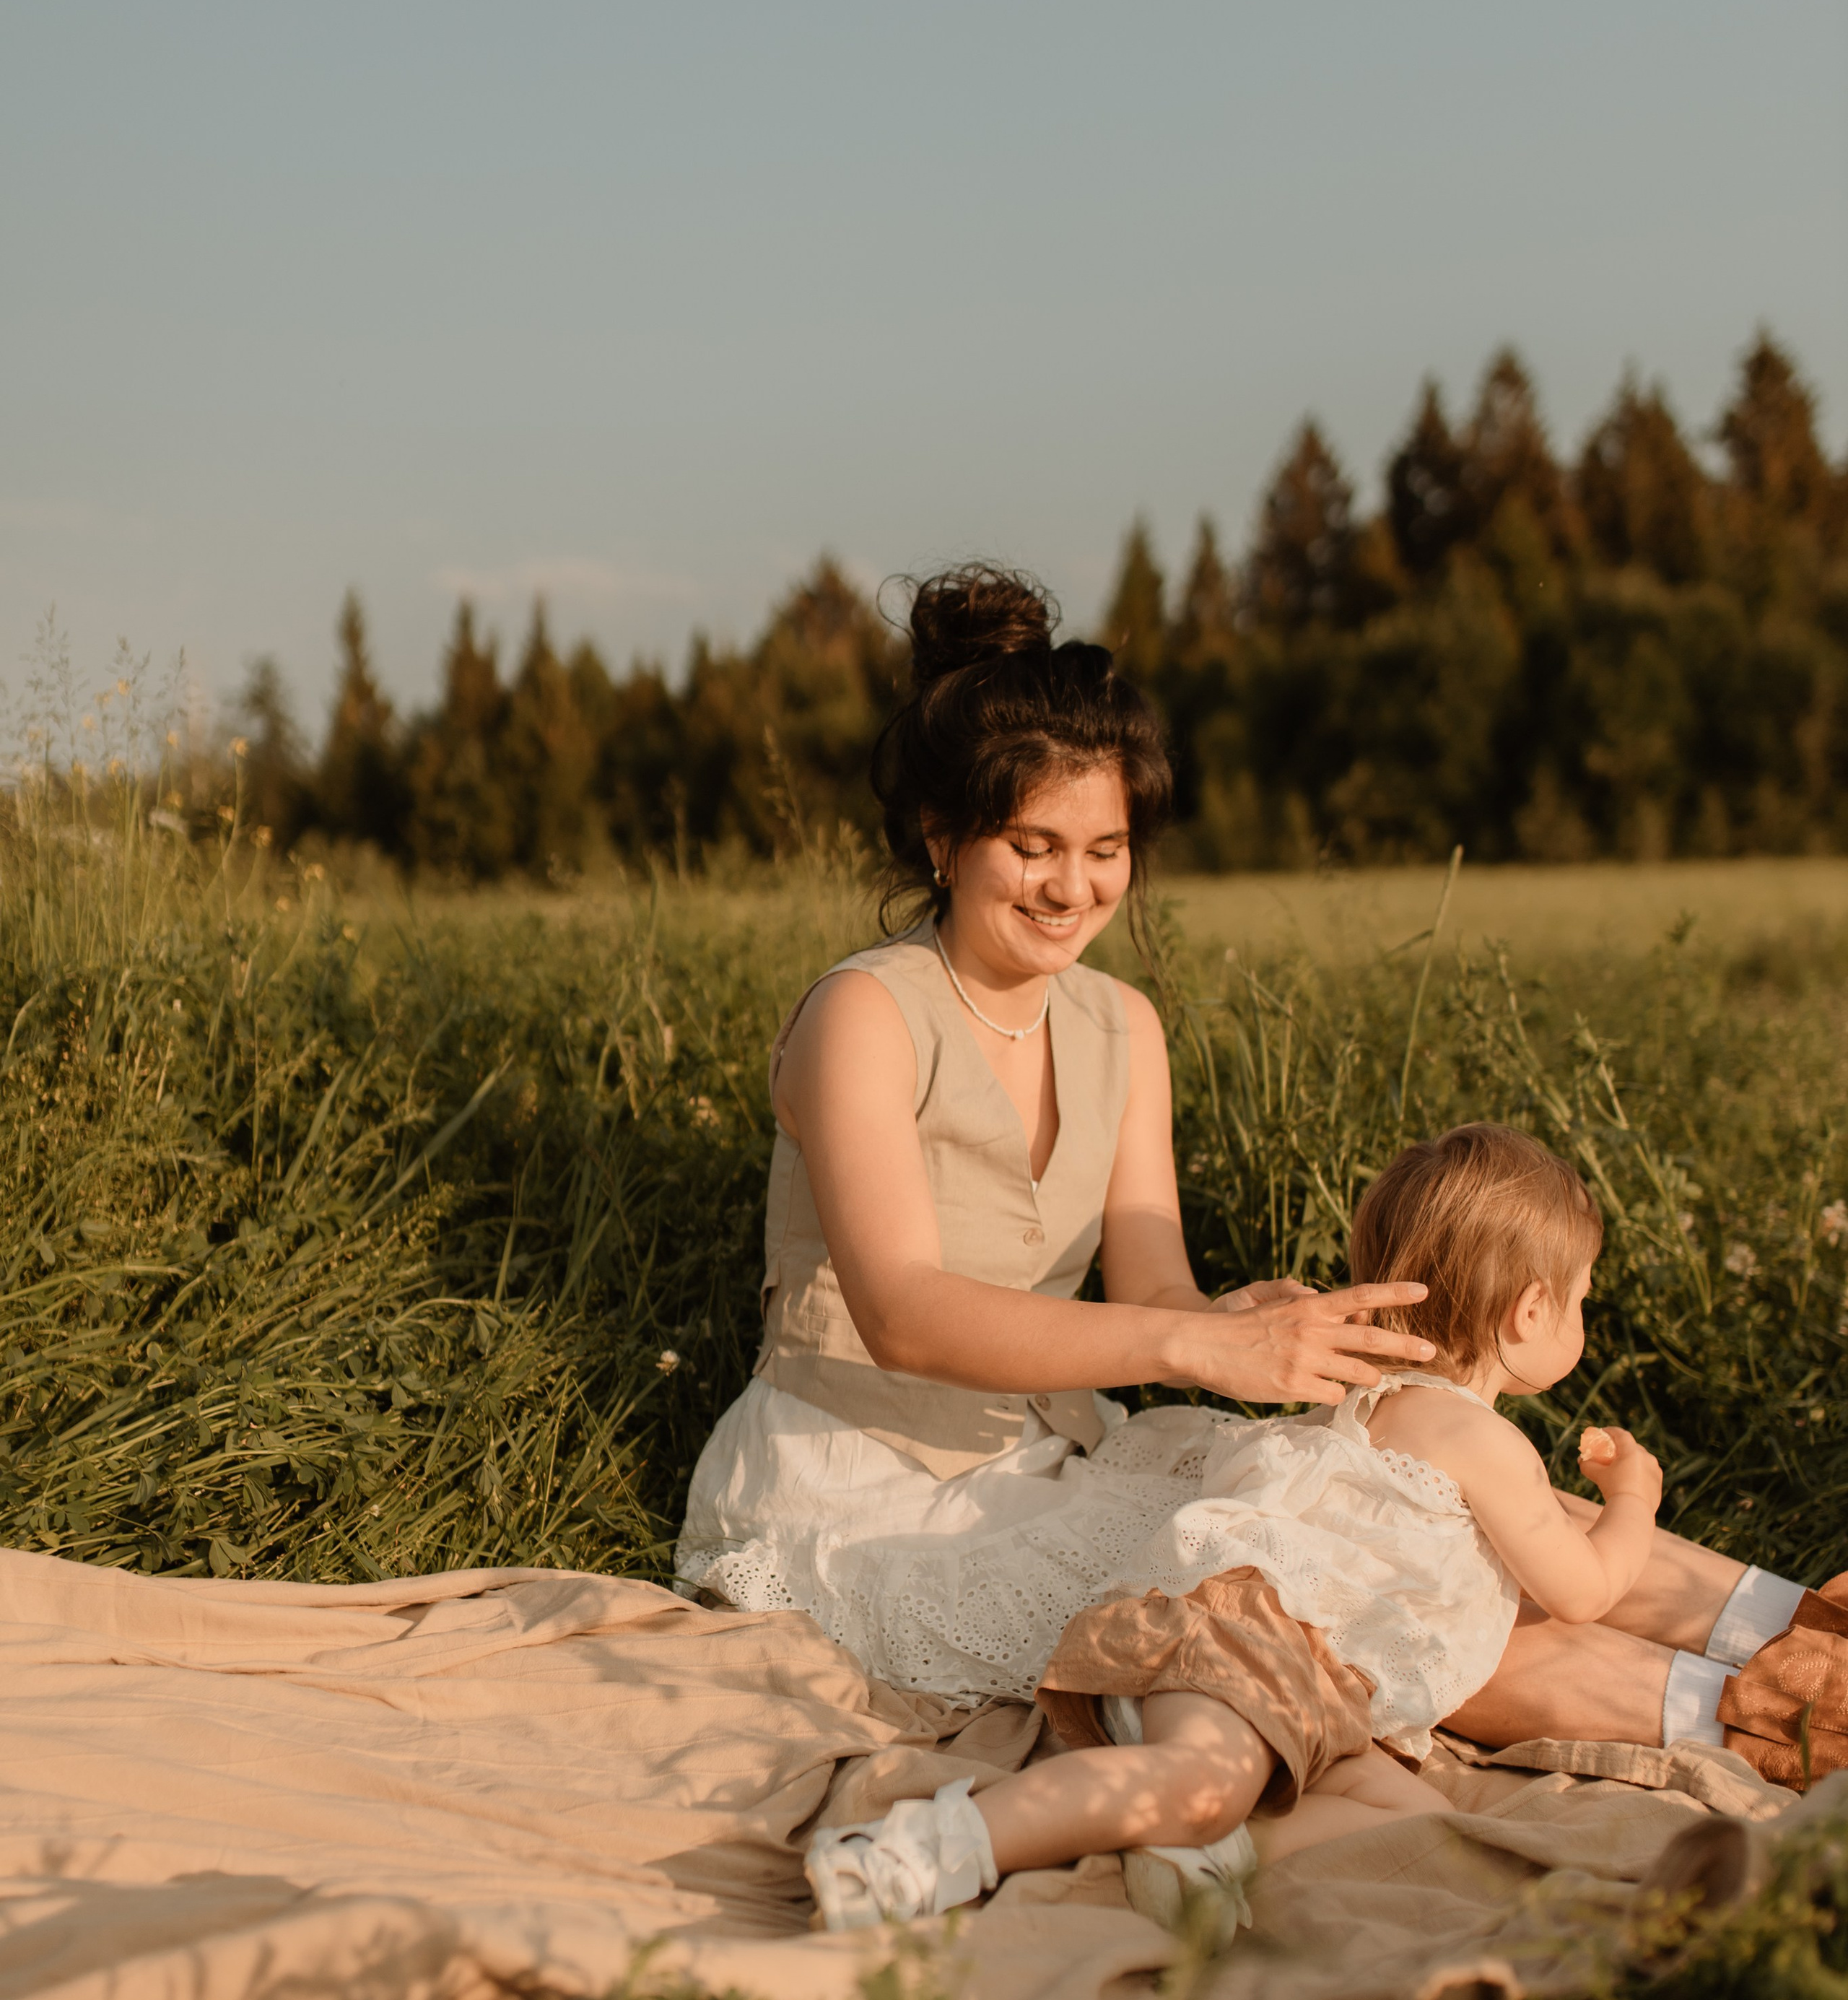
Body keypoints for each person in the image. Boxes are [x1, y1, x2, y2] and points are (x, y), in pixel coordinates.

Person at [675, 564, 1831, 1898]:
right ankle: (1783, 1720)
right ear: (941, 835)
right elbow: (905, 1311)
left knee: (1419, 1496)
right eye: (1031, 848)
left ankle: (1811, 1632)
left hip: (1060, 1453)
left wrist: (1276, 1329)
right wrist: (1196, 1345)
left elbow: (1156, 1286)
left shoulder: (1122, 1028)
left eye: (1103, 851)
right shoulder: (866, 1016)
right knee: (1346, 1578)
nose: (1071, 888)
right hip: (870, 1486)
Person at [804, 1122, 1662, 1930]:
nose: (1580, 1317)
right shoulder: (1482, 1439)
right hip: (1247, 1642)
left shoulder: (1369, 1398)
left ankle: (1211, 1851)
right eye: (1580, 1301)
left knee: (1416, 1818)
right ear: (1530, 1310)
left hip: (1316, 1690)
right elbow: (1580, 1589)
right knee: (1200, 1784)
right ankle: (921, 1854)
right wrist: (1632, 1502)